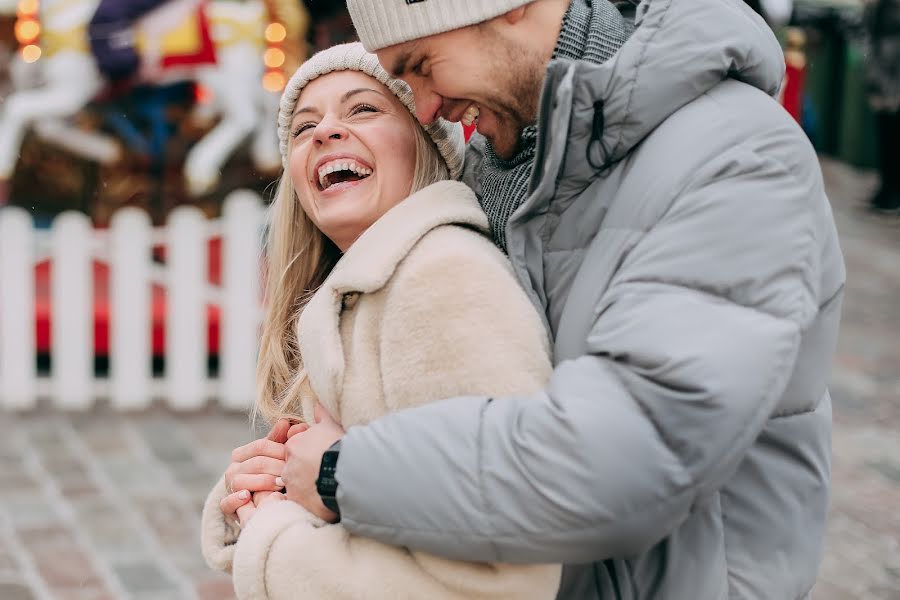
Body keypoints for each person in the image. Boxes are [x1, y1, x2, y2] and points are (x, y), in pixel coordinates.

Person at [280, 1, 847, 599]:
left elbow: (625, 464)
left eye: (421, 64)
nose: (424, 107)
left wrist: (341, 470)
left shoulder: (734, 157)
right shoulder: (512, 157)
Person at [199, 42, 561, 599]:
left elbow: (503, 579)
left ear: (428, 145)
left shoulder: (443, 279)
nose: (325, 133)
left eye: (363, 109)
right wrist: (265, 489)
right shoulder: (367, 294)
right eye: (303, 127)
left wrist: (274, 539)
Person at [865, 0, 900, 212]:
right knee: (885, 131)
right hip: (882, 71)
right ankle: (886, 187)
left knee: (894, 134)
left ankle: (893, 190)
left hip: (895, 71)